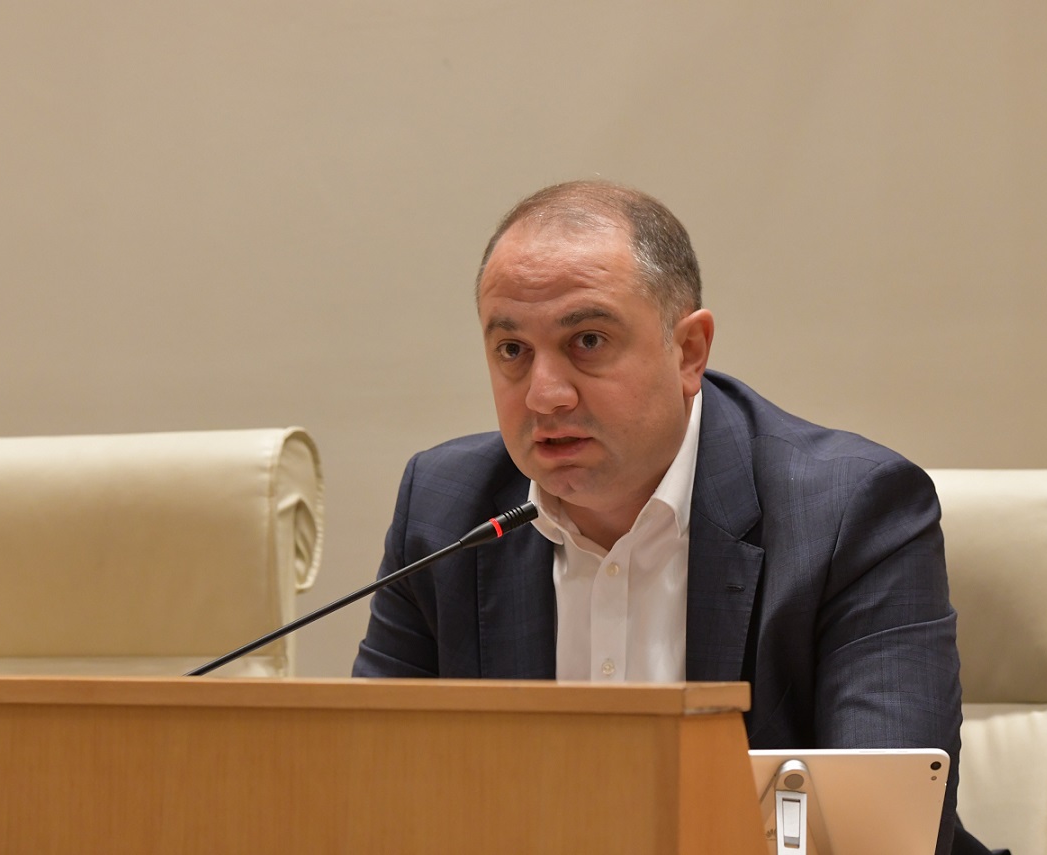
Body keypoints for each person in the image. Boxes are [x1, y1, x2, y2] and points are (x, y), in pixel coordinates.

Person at [353, 180, 995, 855]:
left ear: (689, 351)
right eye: (512, 350)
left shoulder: (851, 511)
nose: (544, 394)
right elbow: (370, 795)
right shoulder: (445, 510)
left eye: (588, 340)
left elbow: (879, 831)